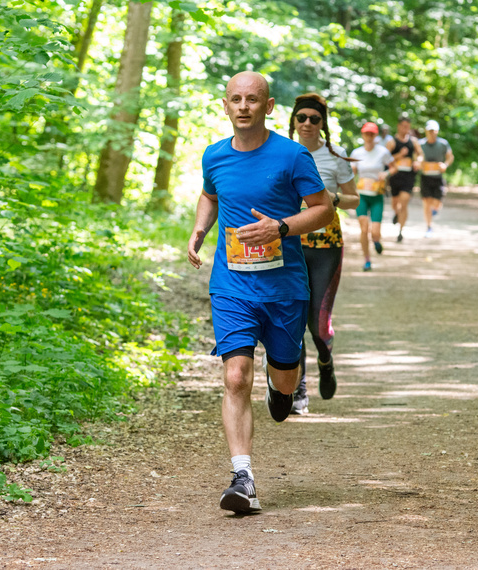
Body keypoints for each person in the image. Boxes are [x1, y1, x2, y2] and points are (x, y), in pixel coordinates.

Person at [187, 72, 333, 514]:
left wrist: (281, 226)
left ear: (268, 107)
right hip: (231, 283)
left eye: (253, 99)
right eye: (236, 99)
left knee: (284, 378)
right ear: (225, 106)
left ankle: (282, 388)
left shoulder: (292, 156)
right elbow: (210, 196)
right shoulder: (214, 155)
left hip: (284, 286)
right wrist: (198, 229)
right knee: (235, 376)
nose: (244, 106)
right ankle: (243, 477)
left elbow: (323, 210)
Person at [287, 93, 360, 415]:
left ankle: (326, 361)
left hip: (327, 245)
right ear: (293, 120)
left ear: (322, 123)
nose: (306, 124)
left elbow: (355, 200)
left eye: (313, 119)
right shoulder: (283, 152)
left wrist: (329, 198)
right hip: (289, 244)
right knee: (292, 321)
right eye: (301, 117)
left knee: (317, 323)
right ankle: (298, 391)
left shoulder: (336, 155)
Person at [350, 122, 395, 271]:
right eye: (366, 134)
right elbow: (351, 173)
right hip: (362, 195)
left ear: (376, 136)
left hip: (376, 195)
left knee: (375, 231)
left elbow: (394, 167)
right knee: (364, 229)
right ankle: (367, 260)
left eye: (372, 134)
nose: (369, 137)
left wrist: (386, 173)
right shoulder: (356, 153)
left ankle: (376, 240)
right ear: (362, 135)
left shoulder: (383, 152)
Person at [386, 115, 423, 242]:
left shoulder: (413, 141)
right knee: (395, 203)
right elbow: (385, 158)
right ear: (398, 126)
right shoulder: (391, 142)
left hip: (408, 176)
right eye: (403, 126)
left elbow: (420, 155)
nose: (405, 129)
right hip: (395, 176)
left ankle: (400, 231)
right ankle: (396, 213)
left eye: (407, 126)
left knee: (404, 201)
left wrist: (418, 161)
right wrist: (399, 155)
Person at [418, 119, 454, 237]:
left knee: (437, 203)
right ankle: (429, 227)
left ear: (437, 131)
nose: (431, 133)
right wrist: (419, 163)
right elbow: (416, 157)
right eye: (429, 131)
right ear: (426, 131)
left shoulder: (443, 144)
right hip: (425, 177)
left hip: (438, 177)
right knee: (427, 203)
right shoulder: (420, 144)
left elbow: (450, 157)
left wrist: (445, 165)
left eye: (433, 131)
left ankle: (434, 211)